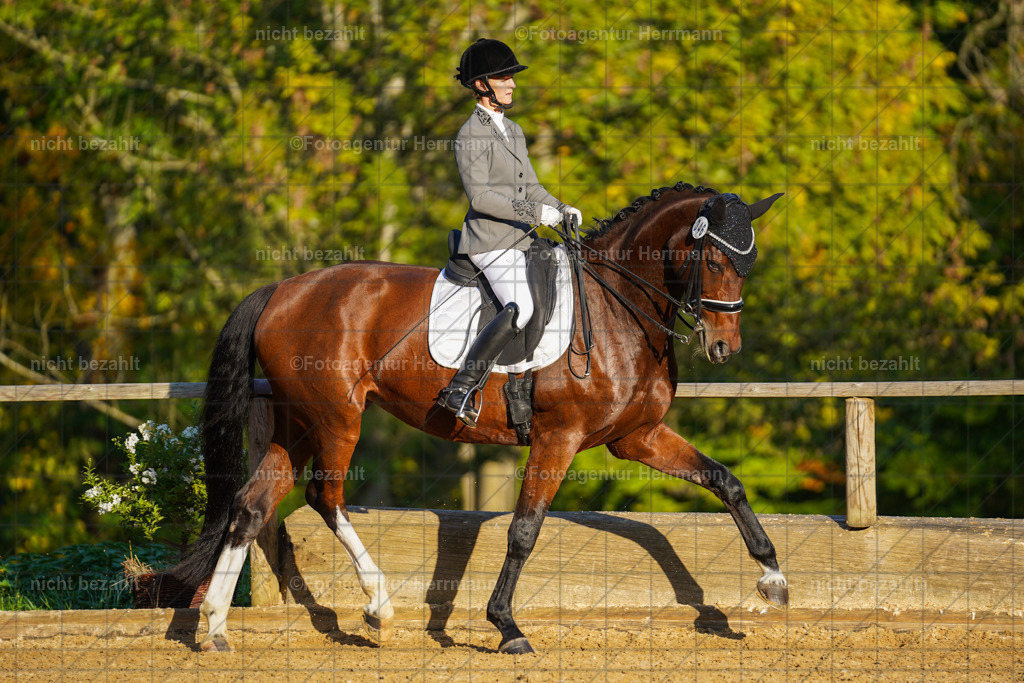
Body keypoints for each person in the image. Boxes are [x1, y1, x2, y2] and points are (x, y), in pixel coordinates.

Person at [437, 38, 582, 428]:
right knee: (523, 305)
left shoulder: (513, 130)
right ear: (481, 84)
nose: (512, 84)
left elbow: (531, 186)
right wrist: (536, 212)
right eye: (504, 77)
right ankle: (461, 387)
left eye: (511, 78)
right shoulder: (470, 135)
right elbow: (481, 197)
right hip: (488, 241)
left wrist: (560, 207)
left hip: (521, 239)